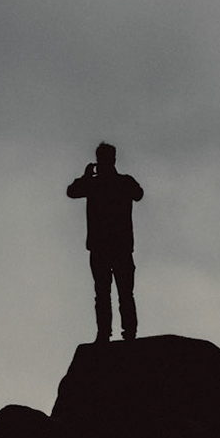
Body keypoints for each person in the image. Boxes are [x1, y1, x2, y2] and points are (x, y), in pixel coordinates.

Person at [65, 142, 143, 342]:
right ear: (114, 159)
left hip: (105, 248)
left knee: (106, 294)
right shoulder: (121, 182)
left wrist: (87, 177)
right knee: (120, 294)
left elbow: (72, 191)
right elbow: (138, 193)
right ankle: (125, 334)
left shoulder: (96, 183)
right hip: (116, 248)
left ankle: (107, 335)